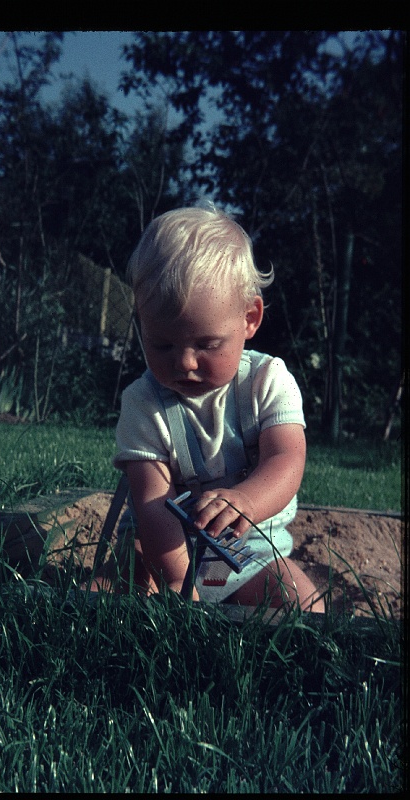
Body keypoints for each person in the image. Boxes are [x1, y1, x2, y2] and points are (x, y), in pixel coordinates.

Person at [94, 205, 323, 613]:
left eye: (206, 344)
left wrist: (247, 501)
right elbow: (151, 502)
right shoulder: (143, 403)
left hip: (252, 552)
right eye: (162, 344)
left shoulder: (267, 381)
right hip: (161, 550)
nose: (184, 362)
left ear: (249, 319)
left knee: (307, 607)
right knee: (102, 601)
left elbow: (286, 457)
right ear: (142, 323)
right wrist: (180, 580)